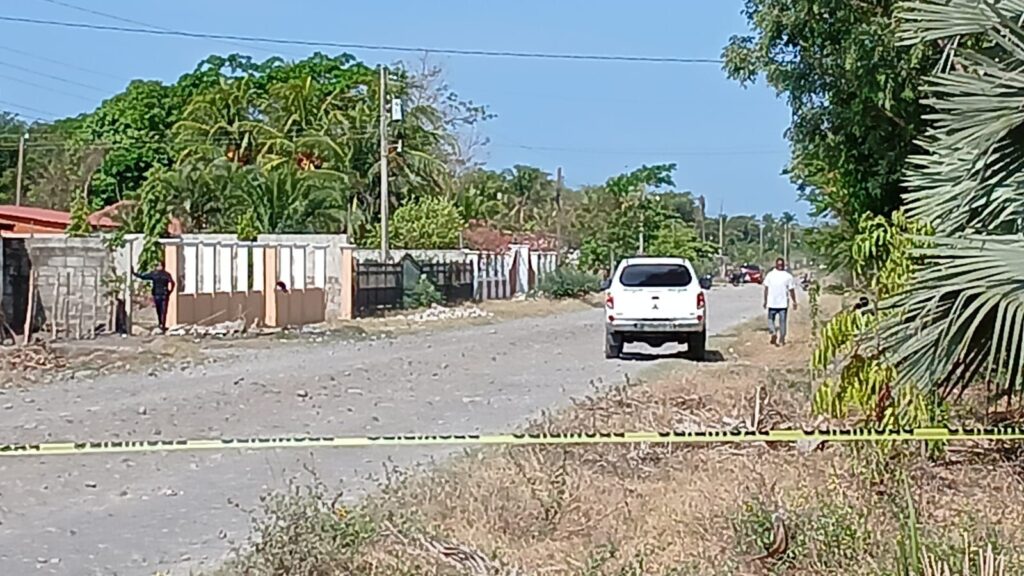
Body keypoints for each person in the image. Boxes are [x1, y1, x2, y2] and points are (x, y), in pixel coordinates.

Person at [762, 257, 797, 346]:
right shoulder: (787, 276)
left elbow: (766, 289)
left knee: (771, 320)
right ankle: (781, 339)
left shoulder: (770, 275)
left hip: (773, 303)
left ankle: (773, 332)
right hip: (782, 303)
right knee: (782, 322)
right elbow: (791, 290)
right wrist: (794, 301)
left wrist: (765, 301)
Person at [133, 262, 176, 333]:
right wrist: (169, 291)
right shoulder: (166, 274)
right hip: (164, 294)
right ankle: (162, 325)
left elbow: (143, 277)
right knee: (163, 311)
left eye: (157, 265)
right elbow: (173, 283)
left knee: (159, 310)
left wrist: (134, 273)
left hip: (157, 294)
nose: (156, 267)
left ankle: (161, 324)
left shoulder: (155, 274)